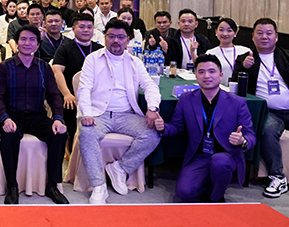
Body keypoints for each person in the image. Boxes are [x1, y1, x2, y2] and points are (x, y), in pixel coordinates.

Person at [77, 19, 162, 204]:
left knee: (153, 132)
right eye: (111, 36)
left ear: (128, 40)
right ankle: (98, 186)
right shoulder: (92, 59)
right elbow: (84, 88)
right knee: (87, 133)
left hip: (126, 115)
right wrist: (86, 113)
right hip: (98, 114)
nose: (116, 40)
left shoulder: (134, 62)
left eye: (121, 37)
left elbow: (149, 85)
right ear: (105, 37)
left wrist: (152, 108)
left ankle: (120, 168)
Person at [156, 55, 255, 203]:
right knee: (184, 192)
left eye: (212, 71)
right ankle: (210, 183)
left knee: (219, 162)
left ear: (221, 75)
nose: (206, 76)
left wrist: (243, 141)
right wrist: (163, 128)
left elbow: (250, 135)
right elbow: (176, 126)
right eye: (201, 72)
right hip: (199, 155)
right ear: (196, 75)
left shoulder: (237, 103)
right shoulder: (186, 99)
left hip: (226, 155)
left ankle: (216, 198)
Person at [0, 25, 69, 204]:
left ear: (37, 44)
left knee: (59, 134)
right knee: (9, 136)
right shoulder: (5, 67)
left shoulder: (44, 67)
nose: (27, 43)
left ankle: (52, 185)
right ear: (17, 43)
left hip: (37, 116)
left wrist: (58, 119)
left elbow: (54, 96)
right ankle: (12, 186)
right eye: (23, 39)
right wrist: (5, 118)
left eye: (32, 40)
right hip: (12, 115)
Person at [233, 18, 289, 198]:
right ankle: (278, 177)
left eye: (269, 33)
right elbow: (234, 85)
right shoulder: (245, 59)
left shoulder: (286, 56)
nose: (264, 37)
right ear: (253, 36)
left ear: (276, 37)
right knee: (267, 129)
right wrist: (243, 68)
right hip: (270, 112)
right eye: (260, 33)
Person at [52, 13, 104, 142]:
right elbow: (57, 72)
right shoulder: (65, 48)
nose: (86, 30)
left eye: (89, 27)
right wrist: (66, 94)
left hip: (95, 95)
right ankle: (71, 142)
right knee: (69, 107)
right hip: (71, 93)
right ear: (73, 29)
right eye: (82, 27)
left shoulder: (100, 49)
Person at [206, 18, 250, 83]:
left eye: (229, 30)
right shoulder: (210, 53)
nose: (225, 34)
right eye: (221, 30)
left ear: (235, 33)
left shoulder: (245, 51)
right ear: (216, 32)